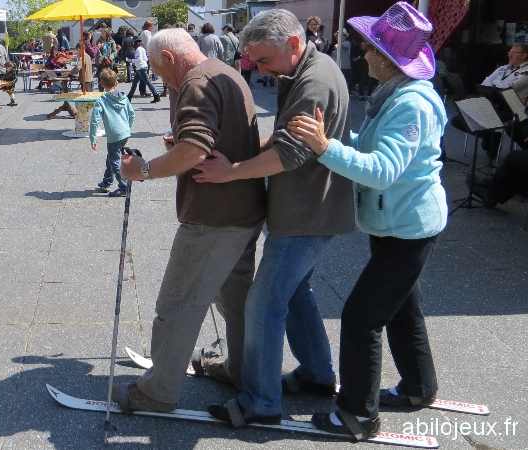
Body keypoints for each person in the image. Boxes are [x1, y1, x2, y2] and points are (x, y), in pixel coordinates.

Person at [285, 3, 447, 440]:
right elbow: (372, 145)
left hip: (410, 229)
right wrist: (334, 138)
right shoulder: (396, 94)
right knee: (401, 309)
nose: (362, 52)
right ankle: (419, 387)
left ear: (387, 58)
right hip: (398, 224)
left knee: (361, 317)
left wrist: (325, 149)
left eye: (369, 47)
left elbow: (381, 169)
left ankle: (356, 414)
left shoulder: (411, 104)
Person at [192, 8, 353, 426]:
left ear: (294, 44)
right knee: (297, 295)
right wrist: (235, 149)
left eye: (263, 60)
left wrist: (229, 172)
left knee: (263, 305)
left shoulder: (314, 81)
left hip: (306, 215)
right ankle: (318, 376)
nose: (259, 69)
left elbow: (286, 154)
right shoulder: (306, 70)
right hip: (307, 210)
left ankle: (261, 404)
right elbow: (283, 137)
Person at [113, 28, 266, 413]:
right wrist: (180, 142)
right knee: (235, 299)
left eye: (156, 67)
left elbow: (196, 150)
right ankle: (241, 370)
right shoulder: (224, 71)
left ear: (168, 55)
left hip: (213, 217)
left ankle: (157, 391)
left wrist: (143, 169)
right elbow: (208, 137)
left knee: (177, 303)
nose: (158, 76)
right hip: (244, 209)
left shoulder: (196, 82)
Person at [89, 69, 135, 198]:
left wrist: (93, 138)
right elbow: (132, 114)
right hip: (125, 133)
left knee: (114, 160)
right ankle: (107, 181)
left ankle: (124, 186)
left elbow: (94, 121)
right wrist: (127, 127)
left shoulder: (101, 101)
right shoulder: (124, 97)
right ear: (116, 83)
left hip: (114, 135)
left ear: (102, 83)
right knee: (111, 157)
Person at [126, 38, 160, 103]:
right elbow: (145, 59)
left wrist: (131, 60)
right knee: (135, 83)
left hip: (141, 68)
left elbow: (140, 59)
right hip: (141, 67)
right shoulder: (142, 49)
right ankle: (129, 96)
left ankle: (156, 95)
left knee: (147, 82)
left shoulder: (138, 49)